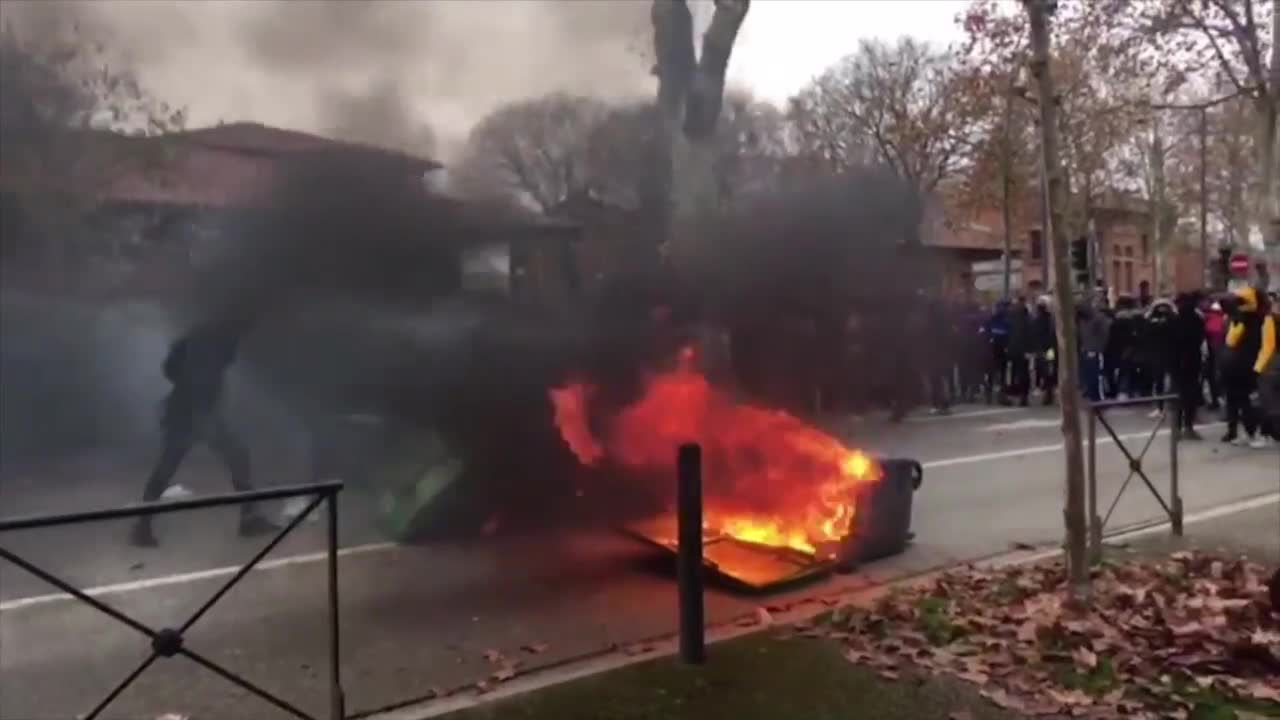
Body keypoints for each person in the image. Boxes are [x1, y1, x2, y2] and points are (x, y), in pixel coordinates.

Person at [131, 309, 278, 547]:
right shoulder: (213, 339)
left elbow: (171, 368)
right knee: (170, 467)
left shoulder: (206, 337)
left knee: (234, 457)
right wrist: (198, 404)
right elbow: (183, 371)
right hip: (192, 413)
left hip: (195, 411)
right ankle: (142, 526)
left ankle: (249, 518)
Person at [1221, 286, 1276, 448]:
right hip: (1240, 366)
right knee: (1243, 401)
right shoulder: (1240, 319)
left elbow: (1268, 346)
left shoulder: (1266, 319)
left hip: (1258, 366)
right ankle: (1250, 432)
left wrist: (1259, 368)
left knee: (1260, 402)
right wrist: (1236, 323)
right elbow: (1230, 341)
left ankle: (1266, 434)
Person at [1171, 292, 1206, 439]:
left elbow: (1168, 343)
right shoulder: (1197, 319)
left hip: (1177, 363)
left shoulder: (1174, 320)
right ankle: (1188, 427)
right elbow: (1200, 339)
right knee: (1189, 396)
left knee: (1177, 395)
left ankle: (1177, 428)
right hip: (1192, 362)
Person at [1077, 299, 1110, 403]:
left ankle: (1100, 398)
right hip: (1085, 350)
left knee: (1097, 375)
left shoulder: (1099, 318)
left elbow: (1104, 336)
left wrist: (1097, 349)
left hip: (1095, 352)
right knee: (1088, 375)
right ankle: (1091, 394)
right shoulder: (1082, 320)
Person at [1005, 297, 1033, 407]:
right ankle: (1023, 396)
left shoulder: (1011, 321)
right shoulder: (1028, 322)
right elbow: (1031, 336)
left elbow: (1008, 336)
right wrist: (1030, 351)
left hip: (1013, 350)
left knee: (1013, 372)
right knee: (1024, 373)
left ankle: (1013, 394)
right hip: (1023, 351)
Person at [1031, 296, 1057, 405]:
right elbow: (1053, 334)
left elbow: (1033, 335)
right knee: (1049, 368)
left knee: (1040, 368)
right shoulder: (1051, 319)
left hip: (1039, 349)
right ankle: (1049, 390)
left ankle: (1042, 387)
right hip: (1049, 348)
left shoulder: (1035, 320)